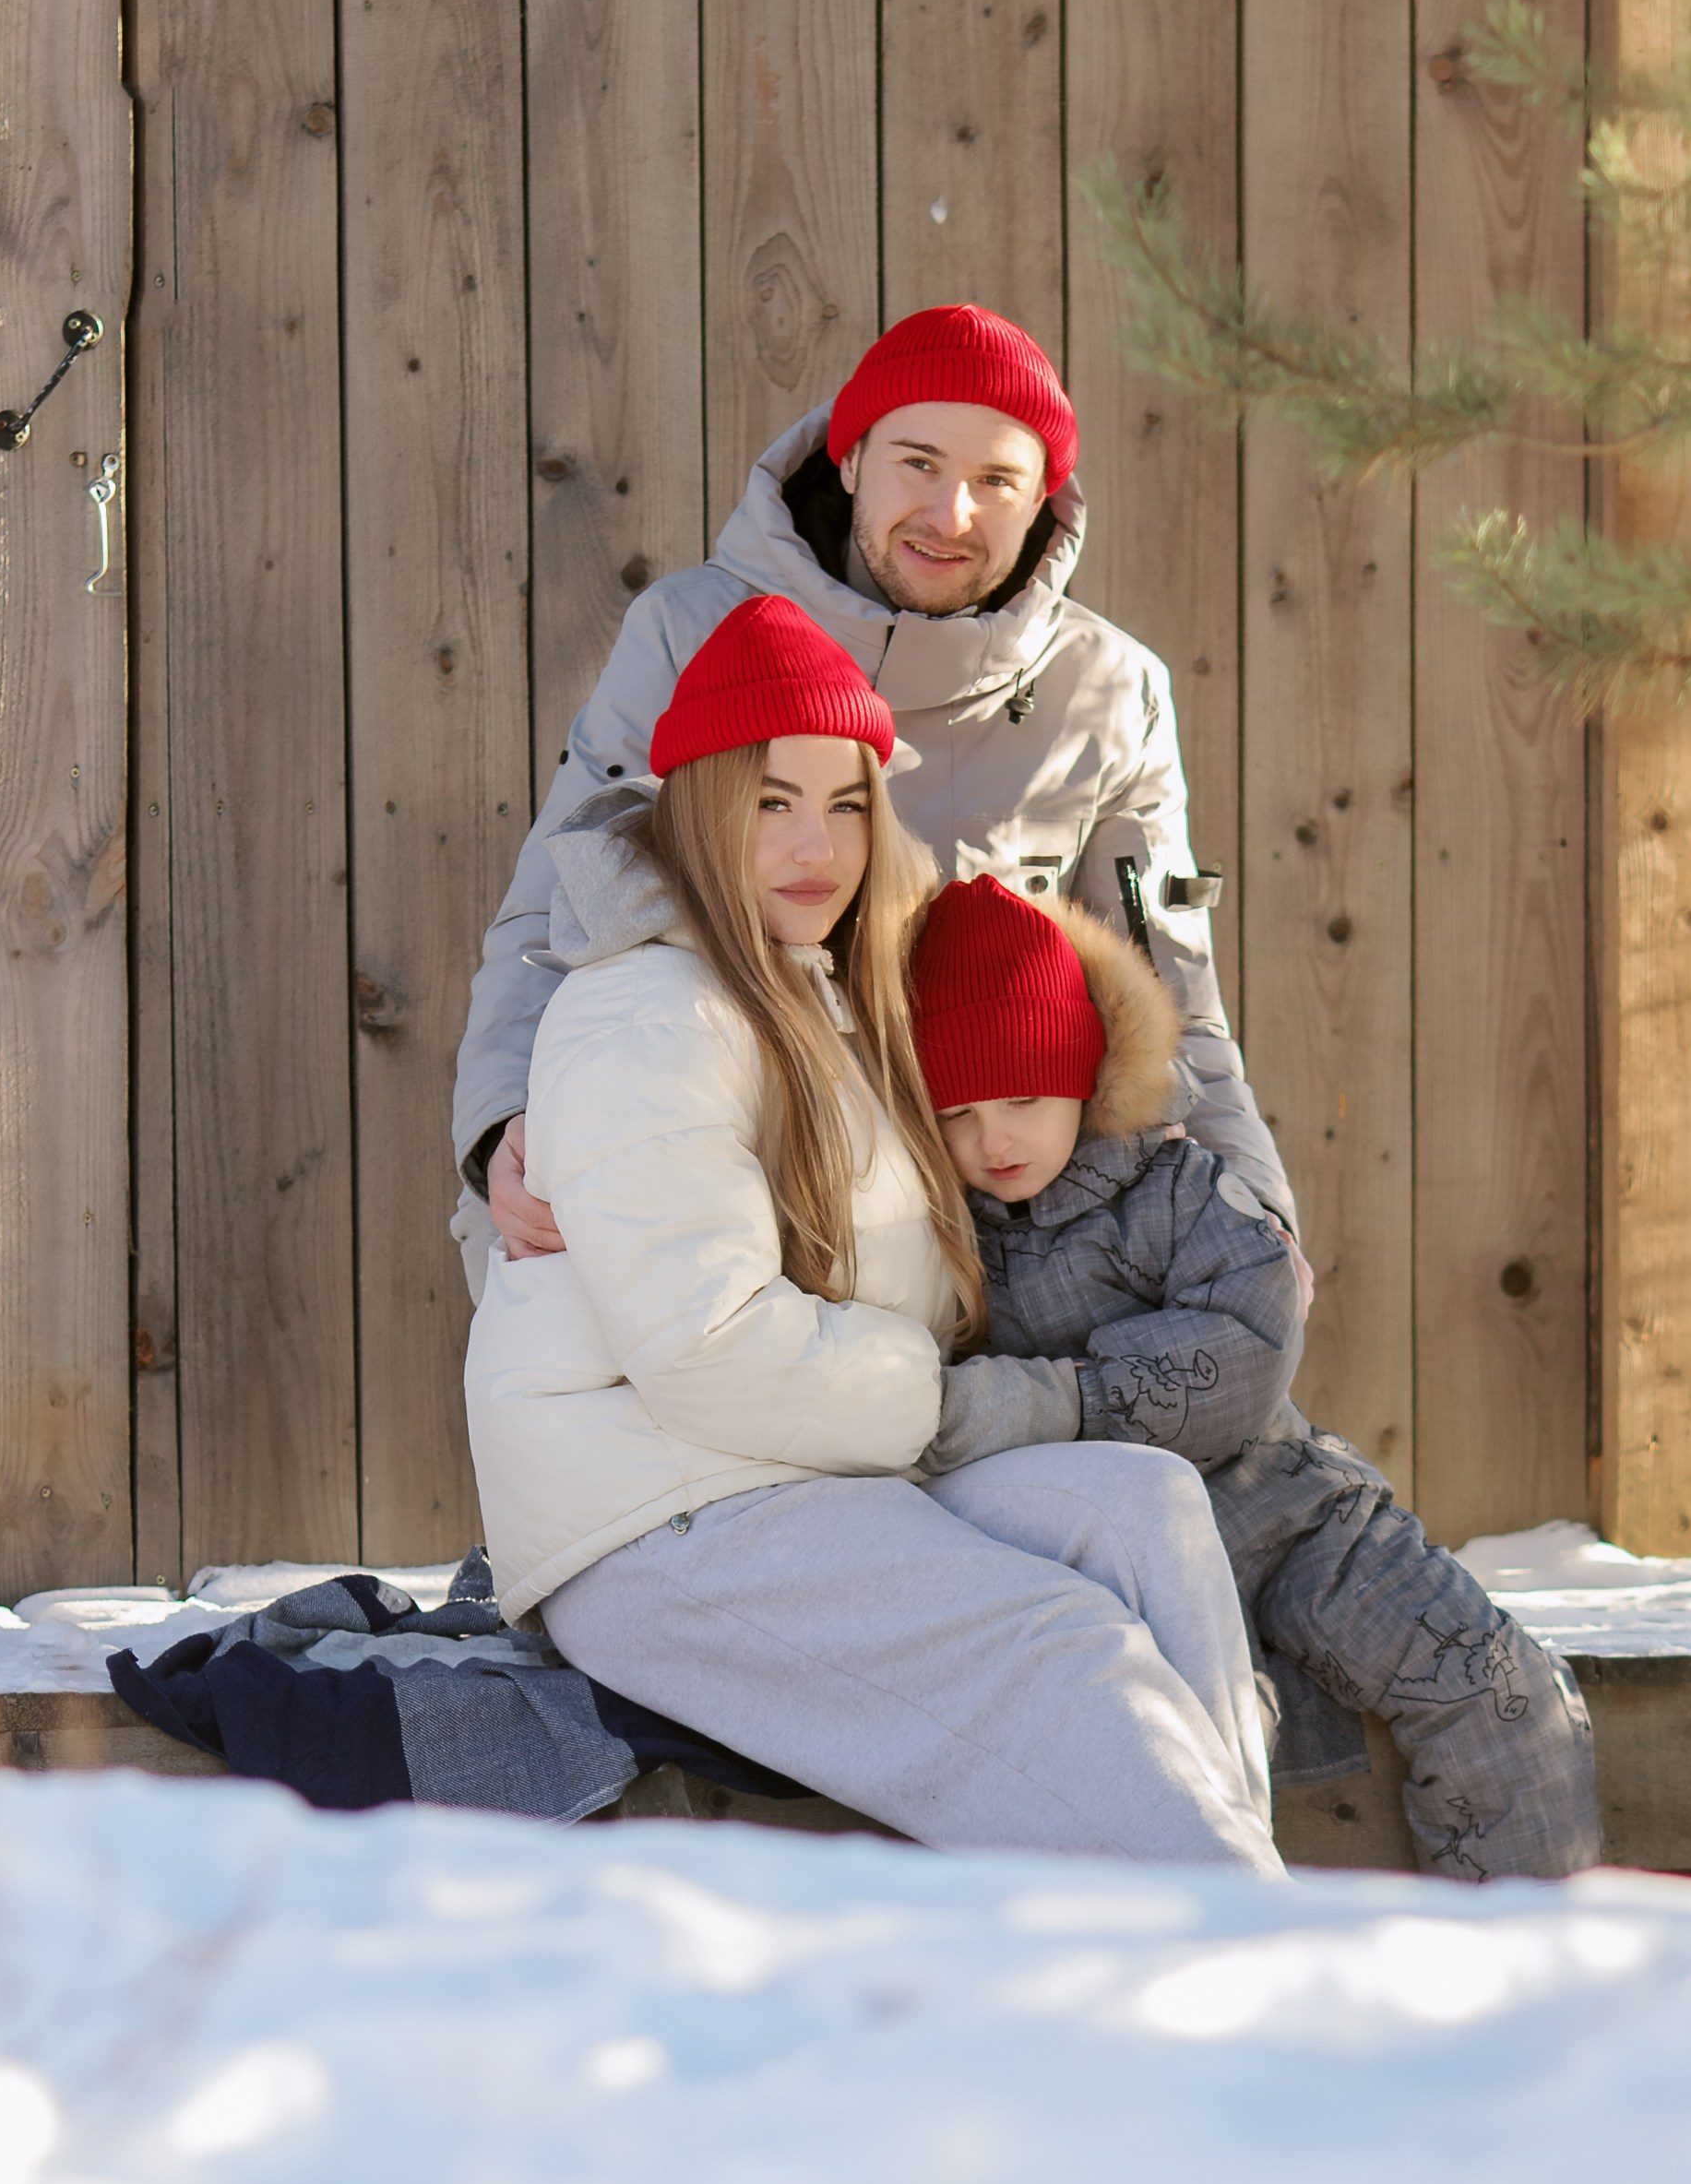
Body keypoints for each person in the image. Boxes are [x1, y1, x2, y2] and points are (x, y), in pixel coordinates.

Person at [463, 593, 1286, 1875]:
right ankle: (1252, 1959)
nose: (815, 844)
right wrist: (944, 1403)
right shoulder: (646, 1014)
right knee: (1058, 1642)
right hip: (658, 1513)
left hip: (816, 1467)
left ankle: (1215, 1915)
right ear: (698, 808)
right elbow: (709, 1347)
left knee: (1143, 1507)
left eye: (845, 802)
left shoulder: (832, 992)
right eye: (770, 800)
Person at [453, 302, 1293, 1291]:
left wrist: (1253, 1206)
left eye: (996, 481)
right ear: (849, 459)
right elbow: (558, 904)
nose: (951, 516)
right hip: (727, 1179)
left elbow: (1169, 988)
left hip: (1012, 1226)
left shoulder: (1110, 688)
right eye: (918, 463)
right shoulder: (690, 630)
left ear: (1043, 503)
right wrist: (504, 1126)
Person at [904, 874, 1604, 1881]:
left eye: (1022, 1096)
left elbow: (1252, 1325)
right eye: (959, 1111)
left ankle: (1515, 1954)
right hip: (1117, 1574)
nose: (995, 1139)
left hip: (1295, 1517)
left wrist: (1068, 1399)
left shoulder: (1173, 1185)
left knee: (1491, 1683)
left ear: (1086, 1072)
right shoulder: (939, 1238)